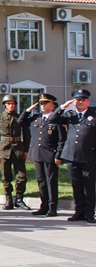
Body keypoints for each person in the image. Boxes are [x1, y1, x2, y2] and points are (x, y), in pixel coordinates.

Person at [47, 89, 96, 223]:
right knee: (76, 185)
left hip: (88, 156)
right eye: (77, 100)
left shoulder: (93, 115)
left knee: (89, 186)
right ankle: (78, 212)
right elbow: (52, 118)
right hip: (72, 156)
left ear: (88, 101)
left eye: (82, 100)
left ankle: (90, 213)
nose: (79, 102)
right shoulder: (70, 115)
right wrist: (63, 106)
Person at [17, 94, 65, 217]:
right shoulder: (36, 118)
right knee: (41, 181)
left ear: (52, 104)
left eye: (46, 103)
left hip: (50, 154)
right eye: (41, 103)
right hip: (37, 154)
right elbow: (20, 121)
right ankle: (43, 206)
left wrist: (58, 155)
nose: (43, 106)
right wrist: (28, 110)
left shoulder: (56, 119)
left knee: (51, 181)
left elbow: (61, 139)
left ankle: (52, 207)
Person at [0, 94, 30, 210]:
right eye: (9, 104)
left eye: (13, 104)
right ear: (4, 105)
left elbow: (27, 134)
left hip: (18, 148)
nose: (11, 106)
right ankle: (8, 199)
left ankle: (19, 199)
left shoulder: (20, 118)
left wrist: (26, 149)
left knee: (21, 176)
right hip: (4, 148)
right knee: (6, 176)